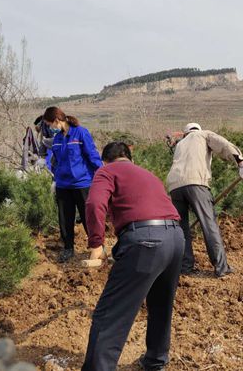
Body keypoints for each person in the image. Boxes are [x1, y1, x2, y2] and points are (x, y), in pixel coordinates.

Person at [83, 142, 184, 371]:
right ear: (130, 158)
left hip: (146, 241)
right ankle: (156, 360)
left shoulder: (106, 171)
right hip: (176, 238)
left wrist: (96, 244)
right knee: (161, 304)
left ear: (106, 160)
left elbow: (94, 203)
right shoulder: (148, 174)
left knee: (110, 314)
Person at [166, 123, 243, 277]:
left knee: (182, 228)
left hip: (174, 186)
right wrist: (241, 163)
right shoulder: (203, 134)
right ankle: (221, 267)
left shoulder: (181, 144)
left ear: (186, 133)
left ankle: (185, 267)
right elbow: (224, 145)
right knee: (209, 224)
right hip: (196, 183)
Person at [43, 106, 103, 262]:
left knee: (87, 217)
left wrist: (103, 174)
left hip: (82, 183)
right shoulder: (56, 140)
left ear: (57, 120)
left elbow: (92, 155)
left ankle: (97, 247)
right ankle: (68, 248)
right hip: (63, 185)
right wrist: (55, 176)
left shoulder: (80, 133)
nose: (50, 128)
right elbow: (54, 161)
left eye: (50, 124)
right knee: (65, 218)